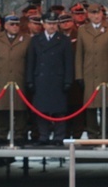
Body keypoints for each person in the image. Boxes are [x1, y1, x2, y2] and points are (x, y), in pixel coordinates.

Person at [25, 12, 73, 146]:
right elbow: (31, 62)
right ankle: (43, 136)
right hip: (41, 78)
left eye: (54, 23)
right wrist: (30, 80)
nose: (51, 26)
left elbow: (68, 63)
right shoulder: (35, 40)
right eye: (49, 23)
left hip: (58, 79)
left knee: (59, 111)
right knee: (41, 110)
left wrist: (68, 80)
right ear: (43, 24)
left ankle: (59, 136)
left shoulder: (63, 40)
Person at [0, 14, 31, 144]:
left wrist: (29, 79)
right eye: (12, 24)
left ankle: (19, 134)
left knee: (20, 107)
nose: (15, 27)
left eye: (17, 24)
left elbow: (29, 60)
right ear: (5, 26)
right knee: (1, 107)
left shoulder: (26, 39)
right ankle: (2, 134)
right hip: (1, 77)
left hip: (19, 77)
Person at [75, 3, 108, 139]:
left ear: (102, 14)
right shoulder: (82, 30)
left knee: (105, 105)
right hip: (89, 74)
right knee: (90, 106)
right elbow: (79, 54)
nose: (96, 16)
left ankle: (105, 134)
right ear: (88, 15)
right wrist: (79, 75)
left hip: (105, 73)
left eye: (98, 13)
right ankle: (92, 134)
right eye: (93, 13)